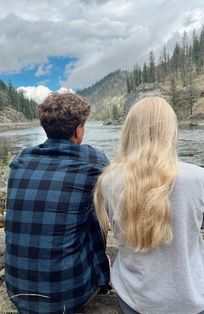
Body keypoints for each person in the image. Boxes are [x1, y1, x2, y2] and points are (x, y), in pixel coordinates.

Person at [94, 96, 204, 314]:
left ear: (129, 132)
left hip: (138, 300)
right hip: (195, 300)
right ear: (171, 132)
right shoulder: (202, 177)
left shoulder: (108, 180)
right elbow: (201, 227)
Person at [5, 93, 110, 314]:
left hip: (16, 292)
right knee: (97, 210)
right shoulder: (94, 161)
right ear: (78, 129)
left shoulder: (21, 160)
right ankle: (101, 278)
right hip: (67, 296)